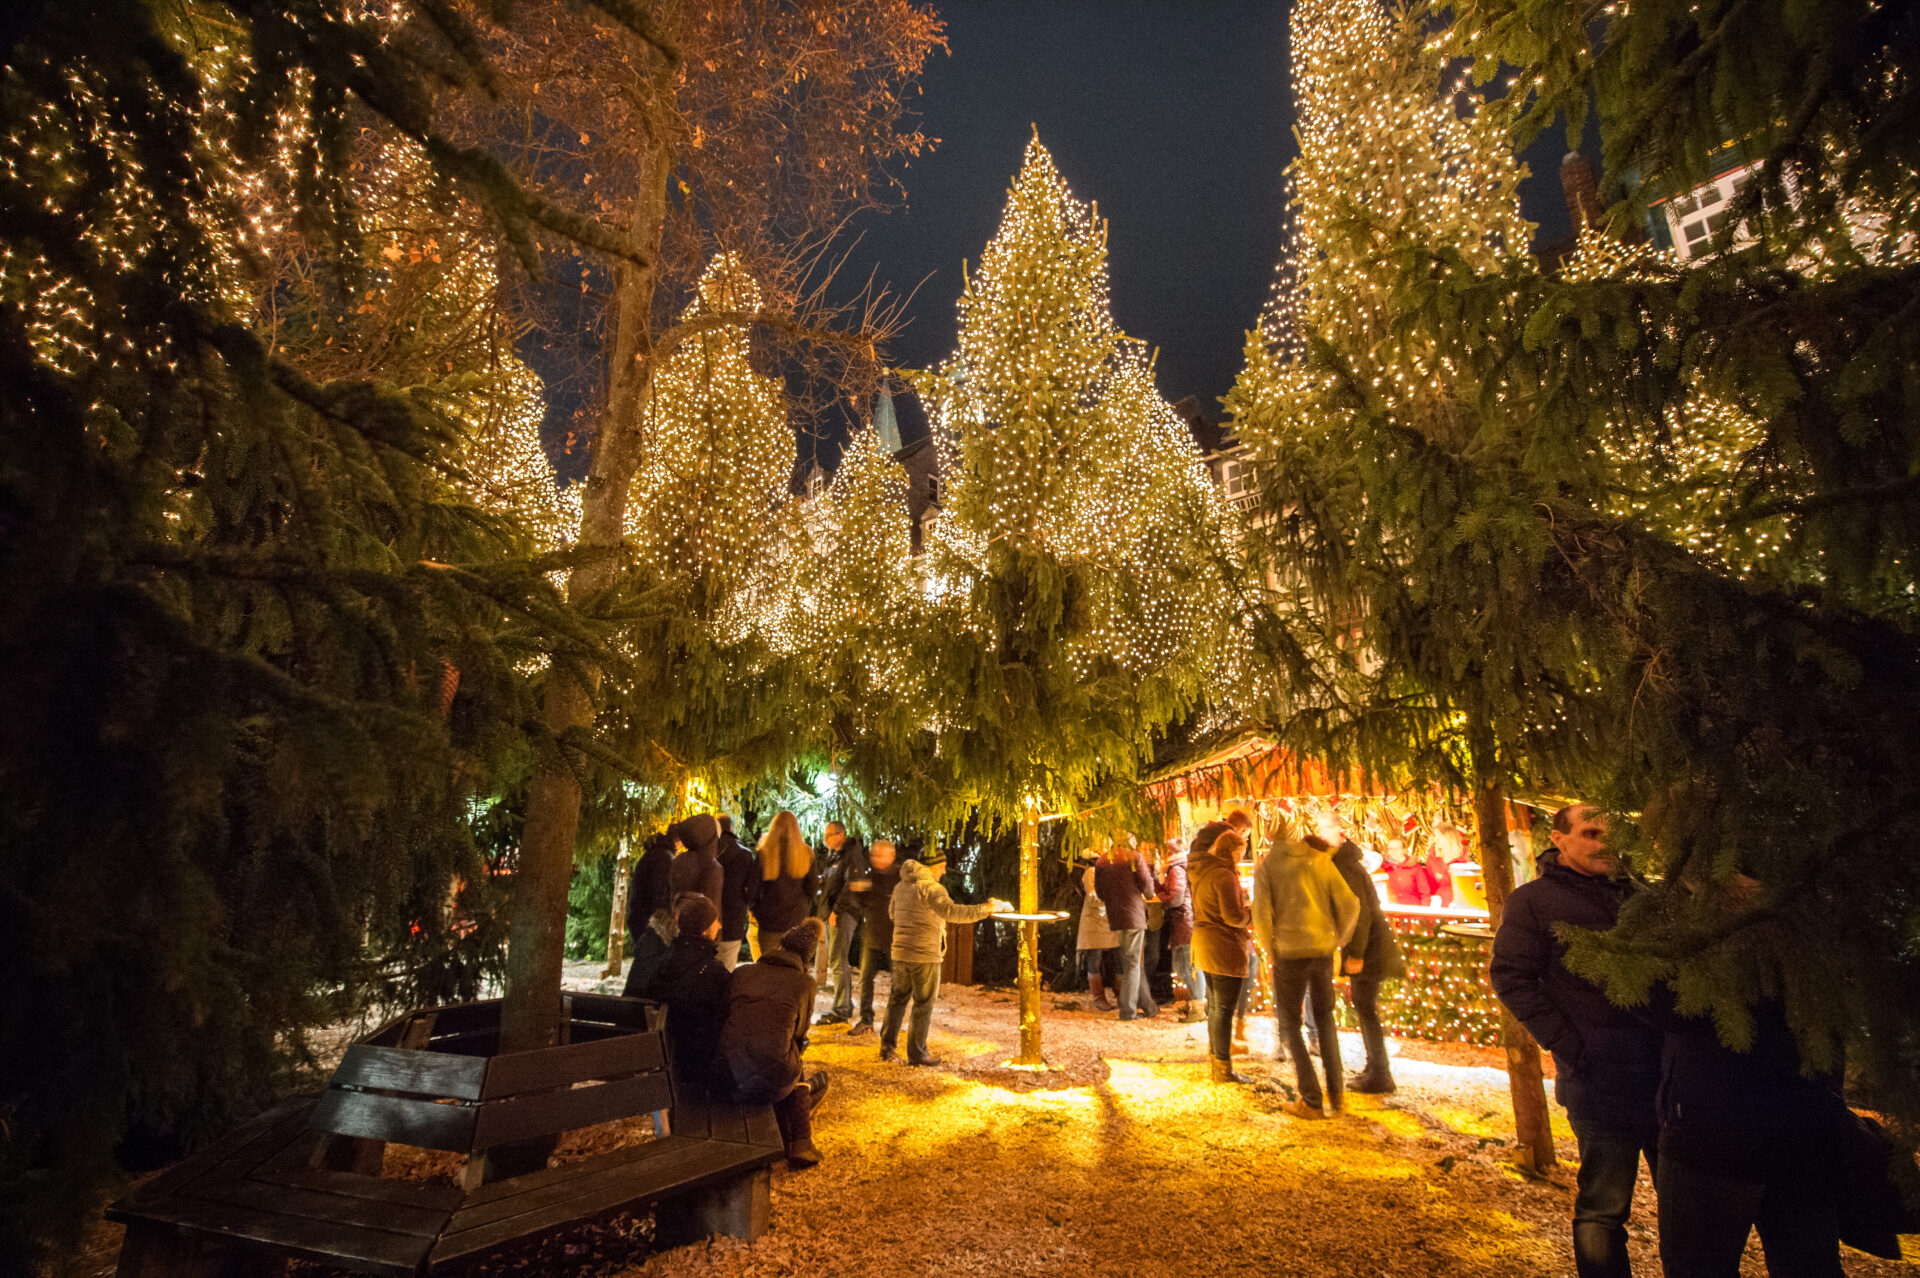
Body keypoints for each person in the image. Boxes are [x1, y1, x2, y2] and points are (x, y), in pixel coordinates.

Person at [1490, 804, 1660, 1278]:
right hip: (1600, 1078)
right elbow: (1511, 977)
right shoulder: (1534, 901)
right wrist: (1569, 1044)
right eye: (1590, 832)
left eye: (1613, 833)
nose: (1604, 842)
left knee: (1688, 1210)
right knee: (1604, 1209)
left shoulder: (1643, 896)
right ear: (1559, 839)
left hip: (1668, 1079)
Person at [1644, 991, 1850, 1277]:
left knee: (1699, 1265)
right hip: (1803, 1114)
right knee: (1807, 1264)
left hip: (1711, 1124)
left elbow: (1660, 1001)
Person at [1254, 830, 1359, 1120]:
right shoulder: (1319, 861)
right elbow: (1351, 904)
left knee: (1289, 1023)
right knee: (1325, 1020)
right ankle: (1337, 1096)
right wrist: (1338, 937)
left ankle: (1311, 1098)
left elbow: (1261, 914)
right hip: (1322, 949)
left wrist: (1270, 947)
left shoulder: (1269, 868)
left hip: (1289, 952)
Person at [716, 918, 832, 1168]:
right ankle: (801, 1141)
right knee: (790, 1052)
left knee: (776, 1052)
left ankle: (796, 1137)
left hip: (728, 1075)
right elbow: (799, 1036)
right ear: (806, 960)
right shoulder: (804, 984)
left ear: (780, 947)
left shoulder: (743, 972)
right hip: (774, 1083)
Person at [880, 847, 1008, 1067]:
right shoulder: (932, 888)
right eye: (940, 867)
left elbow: (892, 914)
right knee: (923, 1003)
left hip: (900, 952)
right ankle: (917, 1054)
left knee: (897, 999)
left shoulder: (900, 886)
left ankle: (887, 1047)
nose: (943, 872)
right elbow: (953, 913)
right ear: (931, 865)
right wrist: (986, 909)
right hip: (925, 955)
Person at [1328, 830, 1405, 1093]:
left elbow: (1358, 913)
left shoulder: (1344, 867)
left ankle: (1380, 1074)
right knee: (1365, 1008)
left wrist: (1357, 953)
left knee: (1366, 1009)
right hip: (1371, 946)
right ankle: (1376, 1068)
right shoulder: (1350, 864)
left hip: (1370, 950)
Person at [638, 893, 731, 1083]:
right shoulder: (714, 973)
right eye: (716, 921)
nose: (720, 926)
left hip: (669, 1060)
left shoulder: (666, 960)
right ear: (705, 929)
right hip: (697, 1071)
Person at [1189, 824, 1254, 1083]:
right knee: (1224, 1009)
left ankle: (1218, 1061)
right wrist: (1253, 913)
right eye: (1241, 852)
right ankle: (1223, 1068)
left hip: (1205, 944)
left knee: (1215, 1007)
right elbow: (1233, 916)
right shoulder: (1224, 876)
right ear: (1233, 852)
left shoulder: (1205, 872)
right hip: (1223, 946)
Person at [1095, 835, 1159, 1021]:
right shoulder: (1134, 857)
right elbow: (1147, 887)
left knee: (1133, 962)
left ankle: (1149, 1007)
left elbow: (1100, 892)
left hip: (1116, 917)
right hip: (1134, 916)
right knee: (1132, 964)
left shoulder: (1101, 861)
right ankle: (1128, 1011)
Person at [814, 821, 868, 1024]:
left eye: (829, 835)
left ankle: (842, 1009)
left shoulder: (851, 855)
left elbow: (853, 886)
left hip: (843, 914)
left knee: (837, 960)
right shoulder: (834, 856)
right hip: (832, 913)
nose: (825, 839)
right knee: (836, 959)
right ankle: (844, 1004)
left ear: (841, 835)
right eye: (825, 835)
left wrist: (837, 910)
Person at [847, 838, 903, 1036]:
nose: (875, 859)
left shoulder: (901, 878)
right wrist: (857, 892)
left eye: (880, 855)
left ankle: (892, 1023)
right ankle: (866, 1019)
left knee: (898, 983)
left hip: (895, 938)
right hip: (872, 936)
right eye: (873, 855)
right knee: (865, 979)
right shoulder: (870, 877)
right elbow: (861, 904)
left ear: (892, 856)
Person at [751, 811, 818, 958]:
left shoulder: (765, 853)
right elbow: (812, 888)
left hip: (770, 922)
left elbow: (752, 891)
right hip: (798, 921)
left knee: (769, 968)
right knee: (794, 969)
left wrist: (757, 912)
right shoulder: (806, 853)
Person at [622, 831, 678, 999]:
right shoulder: (664, 858)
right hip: (651, 923)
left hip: (639, 918)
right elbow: (659, 893)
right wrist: (663, 919)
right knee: (649, 968)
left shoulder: (649, 856)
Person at [1159, 837, 1204, 1022]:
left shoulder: (1176, 869)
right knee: (1183, 964)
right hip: (1185, 920)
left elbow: (1176, 898)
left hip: (1184, 921)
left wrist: (1162, 895)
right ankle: (1197, 1001)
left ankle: (1198, 1005)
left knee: (1187, 965)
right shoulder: (1181, 867)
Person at [714, 815, 759, 972]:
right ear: (732, 829)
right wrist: (748, 905)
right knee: (727, 965)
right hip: (732, 918)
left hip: (707, 917)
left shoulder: (707, 852)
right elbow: (753, 889)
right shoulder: (744, 855)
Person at [1074, 853, 1117, 1010]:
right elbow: (1093, 897)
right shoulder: (1091, 872)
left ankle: (1120, 994)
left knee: (1117, 956)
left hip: (1110, 920)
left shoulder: (1110, 870)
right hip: (1095, 922)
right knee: (1095, 958)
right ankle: (1098, 997)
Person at [667, 813, 724, 912]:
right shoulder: (711, 865)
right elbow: (710, 906)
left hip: (677, 921)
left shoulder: (678, 860)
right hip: (699, 924)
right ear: (711, 837)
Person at [1380, 836, 1441, 907]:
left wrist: (1424, 912)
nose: (1393, 852)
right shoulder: (1384, 869)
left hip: (1412, 909)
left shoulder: (1415, 868)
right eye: (1390, 849)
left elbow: (1425, 893)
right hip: (1392, 909)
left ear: (1404, 850)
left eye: (1396, 849)